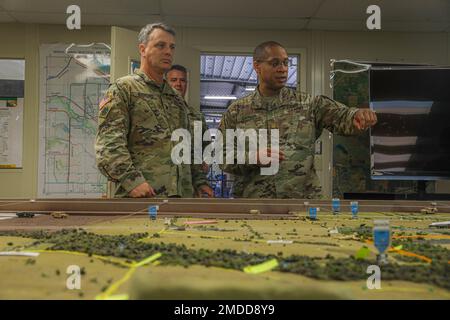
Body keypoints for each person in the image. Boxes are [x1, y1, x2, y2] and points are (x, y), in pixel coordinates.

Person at [218, 41, 377, 199]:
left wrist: (357, 115)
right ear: (257, 66)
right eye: (275, 63)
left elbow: (342, 116)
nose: (283, 69)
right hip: (255, 203)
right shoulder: (237, 111)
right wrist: (252, 158)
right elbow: (221, 156)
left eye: (286, 63)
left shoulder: (308, 104)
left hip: (302, 202)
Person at [95, 23, 212, 198]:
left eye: (172, 47)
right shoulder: (124, 89)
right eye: (160, 45)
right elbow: (109, 145)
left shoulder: (176, 99)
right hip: (142, 198)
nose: (168, 52)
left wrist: (199, 182)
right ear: (142, 49)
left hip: (181, 200)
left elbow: (187, 149)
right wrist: (132, 181)